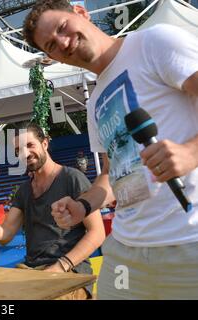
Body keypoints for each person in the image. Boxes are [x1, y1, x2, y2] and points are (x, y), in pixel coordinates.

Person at [23, 0, 198, 299]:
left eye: (63, 28)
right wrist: (83, 205)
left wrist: (190, 153)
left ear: (80, 12)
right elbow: (111, 174)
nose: (64, 43)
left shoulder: (154, 42)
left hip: (187, 242)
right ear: (53, 58)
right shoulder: (94, 103)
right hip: (126, 249)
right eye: (52, 45)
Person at [0, 123, 105, 299]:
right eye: (18, 150)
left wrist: (60, 266)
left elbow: (98, 232)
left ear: (45, 144)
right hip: (33, 271)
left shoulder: (72, 177)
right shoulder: (24, 191)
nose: (24, 153)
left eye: (30, 145)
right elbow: (5, 235)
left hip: (72, 272)